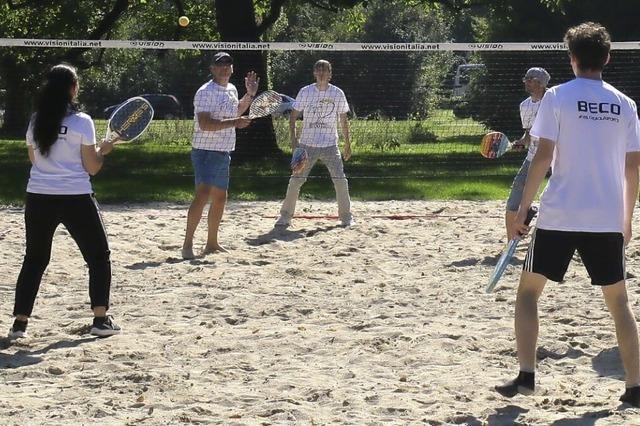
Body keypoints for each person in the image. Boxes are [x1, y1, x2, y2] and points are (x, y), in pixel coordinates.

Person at [497, 22, 640, 407]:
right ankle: (634, 387)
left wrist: (520, 210)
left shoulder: (557, 97)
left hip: (560, 214)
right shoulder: (625, 104)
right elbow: (633, 169)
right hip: (606, 216)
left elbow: (542, 158)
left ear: (572, 58)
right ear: (607, 58)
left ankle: (526, 376)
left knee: (528, 293)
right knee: (620, 304)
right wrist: (626, 219)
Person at [9, 64, 121, 339]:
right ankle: (100, 320)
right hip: (75, 196)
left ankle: (19, 325)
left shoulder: (36, 119)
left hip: (39, 196)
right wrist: (103, 151)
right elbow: (92, 167)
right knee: (98, 256)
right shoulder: (82, 121)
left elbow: (34, 160)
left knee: (34, 259)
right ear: (72, 88)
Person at [181, 52, 257, 259]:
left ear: (232, 69)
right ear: (212, 69)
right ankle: (187, 245)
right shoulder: (205, 92)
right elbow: (205, 124)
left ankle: (211, 243)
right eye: (220, 64)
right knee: (203, 195)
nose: (224, 68)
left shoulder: (231, 89)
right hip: (205, 150)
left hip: (223, 150)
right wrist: (235, 123)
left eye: (228, 64)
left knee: (220, 198)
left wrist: (249, 95)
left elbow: (236, 111)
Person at [274, 59, 354, 228]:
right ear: (314, 73)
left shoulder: (337, 93)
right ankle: (285, 216)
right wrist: (294, 140)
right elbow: (293, 116)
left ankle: (346, 217)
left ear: (330, 74)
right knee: (296, 180)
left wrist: (348, 143)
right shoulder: (305, 92)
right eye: (318, 69)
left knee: (340, 179)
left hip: (330, 145)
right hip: (306, 145)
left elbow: (343, 120)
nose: (322, 72)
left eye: (325, 70)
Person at [505, 67, 551, 240]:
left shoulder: (555, 101)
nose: (525, 81)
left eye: (529, 79)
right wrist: (521, 142)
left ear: (540, 83)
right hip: (533, 156)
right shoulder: (524, 106)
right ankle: (511, 240)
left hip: (559, 156)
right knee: (516, 194)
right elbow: (528, 135)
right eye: (525, 78)